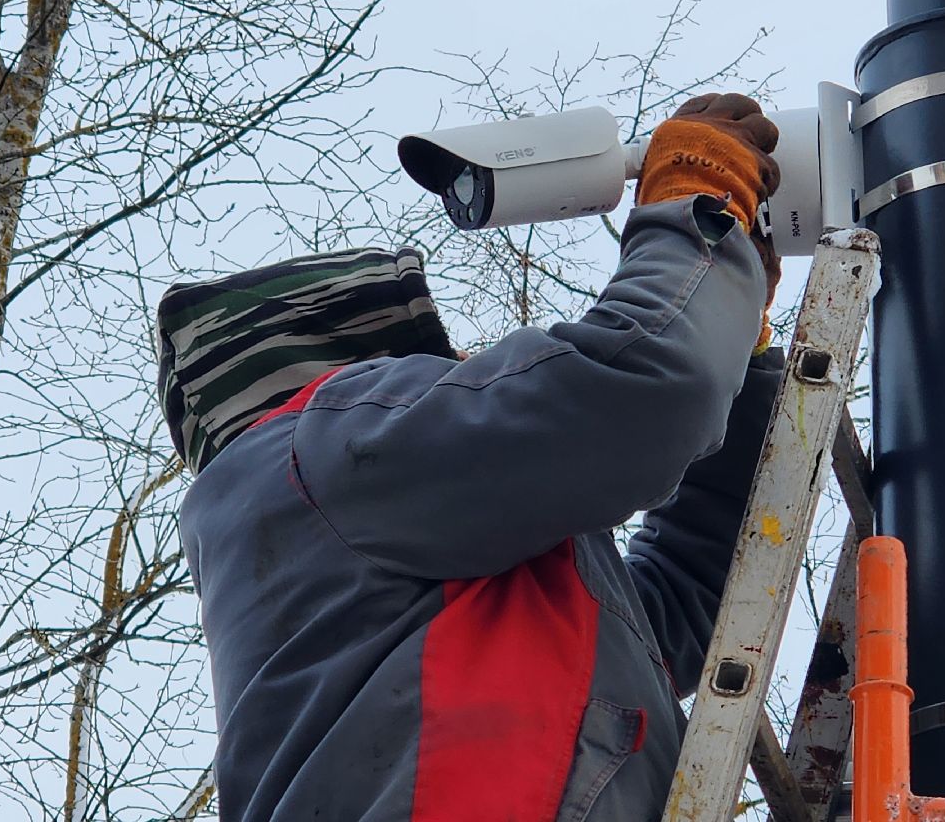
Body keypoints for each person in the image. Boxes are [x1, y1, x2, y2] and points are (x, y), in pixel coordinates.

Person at [159, 93, 783, 822]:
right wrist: (701, 208)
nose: (463, 367)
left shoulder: (396, 580)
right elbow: (647, 383)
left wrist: (735, 328)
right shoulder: (321, 449)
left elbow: (677, 601)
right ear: (346, 364)